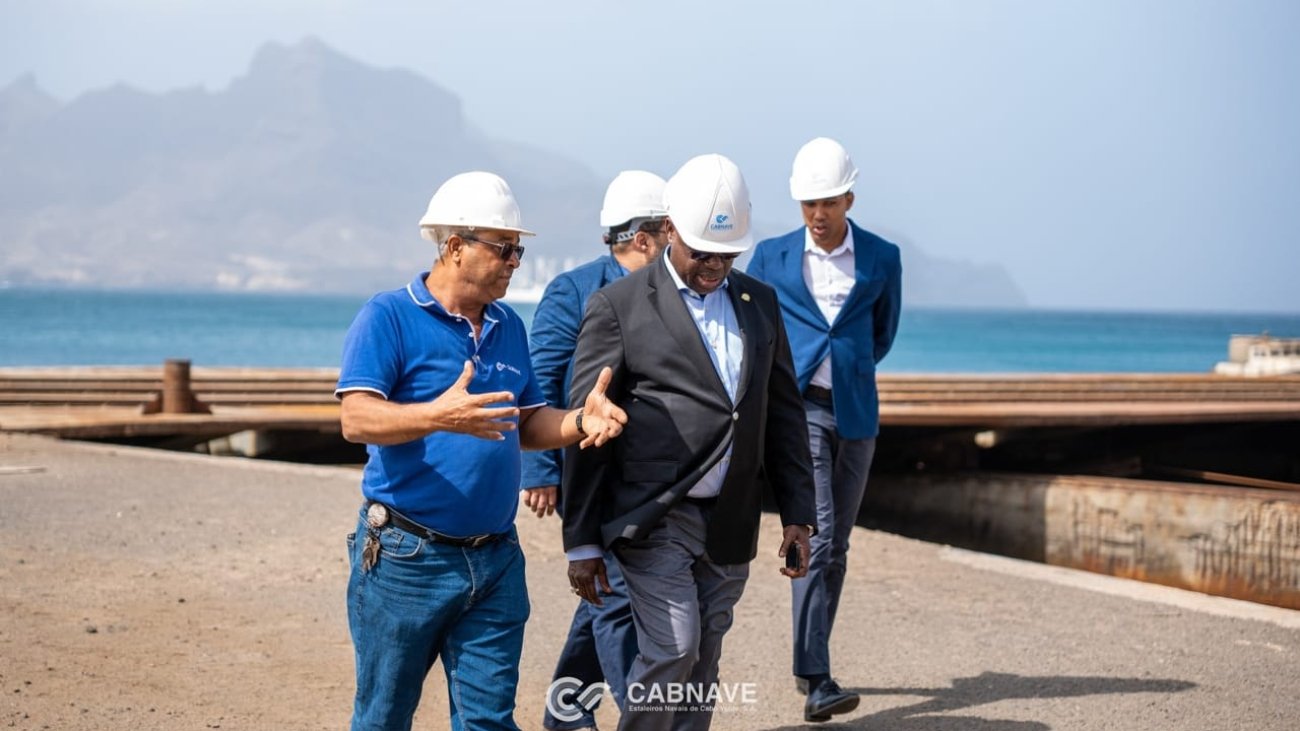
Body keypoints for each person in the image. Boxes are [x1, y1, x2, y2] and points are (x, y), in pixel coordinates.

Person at [335, 170, 627, 731]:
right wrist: (436, 416)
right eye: (504, 249)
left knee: (489, 721)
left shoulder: (508, 325)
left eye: (518, 251)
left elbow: (525, 421)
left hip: (495, 558)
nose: (515, 261)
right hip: (405, 556)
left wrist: (576, 422)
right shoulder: (388, 316)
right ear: (453, 247)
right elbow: (355, 419)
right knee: (383, 716)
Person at [561, 153, 817, 731]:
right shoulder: (618, 307)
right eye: (703, 251)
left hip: (730, 517)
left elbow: (782, 415)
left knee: (705, 657)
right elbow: (585, 426)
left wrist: (799, 513)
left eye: (727, 254)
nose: (714, 266)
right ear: (669, 230)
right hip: (652, 516)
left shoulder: (759, 303)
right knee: (674, 646)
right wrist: (581, 542)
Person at [745, 137, 902, 723]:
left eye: (827, 203)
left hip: (857, 414)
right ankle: (817, 676)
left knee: (839, 548)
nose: (816, 214)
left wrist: (854, 371)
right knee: (822, 536)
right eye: (807, 202)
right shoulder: (770, 257)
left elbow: (880, 334)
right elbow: (755, 326)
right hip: (798, 409)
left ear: (849, 200)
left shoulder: (883, 258)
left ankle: (810, 660)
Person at [523, 171, 670, 730]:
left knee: (603, 595)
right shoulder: (574, 290)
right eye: (672, 232)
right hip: (590, 475)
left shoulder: (672, 292)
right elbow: (540, 380)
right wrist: (539, 467)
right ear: (642, 237)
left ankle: (564, 718)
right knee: (612, 597)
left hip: (652, 480)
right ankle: (645, 716)